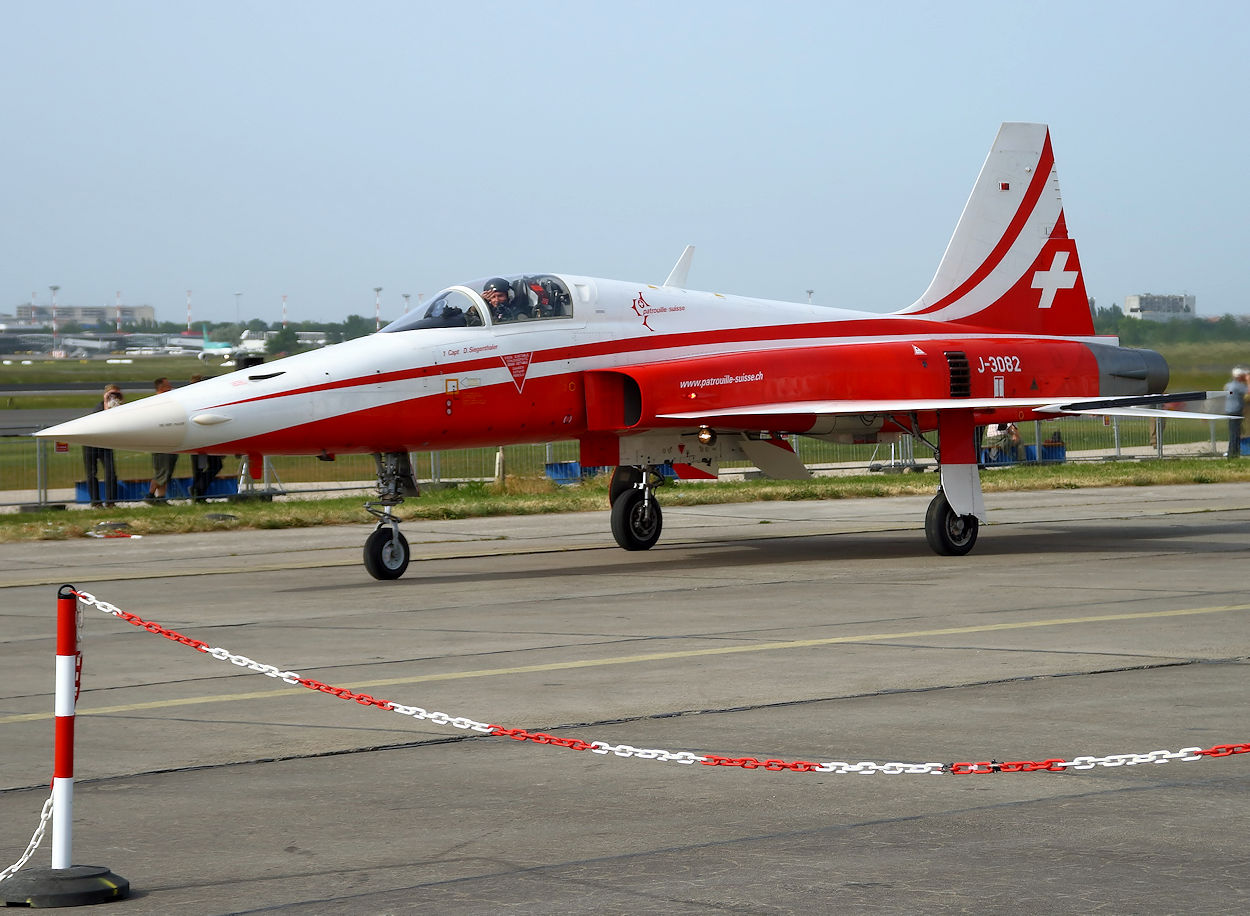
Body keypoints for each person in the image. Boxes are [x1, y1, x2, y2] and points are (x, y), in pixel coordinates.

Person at [83, 384, 122, 507]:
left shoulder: (116, 407)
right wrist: (106, 400)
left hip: (104, 442)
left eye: (116, 394)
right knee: (92, 473)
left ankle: (111, 502)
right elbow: (103, 416)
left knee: (111, 473)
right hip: (90, 442)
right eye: (112, 394)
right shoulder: (100, 407)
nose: (113, 397)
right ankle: (96, 502)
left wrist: (120, 401)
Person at [146, 377, 179, 502]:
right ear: (161, 387)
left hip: (170, 440)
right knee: (162, 471)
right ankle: (150, 494)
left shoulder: (168, 399)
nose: (170, 387)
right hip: (161, 442)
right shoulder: (157, 402)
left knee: (167, 471)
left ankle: (161, 497)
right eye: (167, 385)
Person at [1223, 366, 1248, 458]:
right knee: (1235, 433)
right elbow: (1249, 391)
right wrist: (1248, 381)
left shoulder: (1229, 385)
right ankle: (1233, 453)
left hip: (1229, 411)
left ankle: (1233, 451)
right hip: (1236, 411)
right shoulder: (1239, 386)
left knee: (1233, 432)